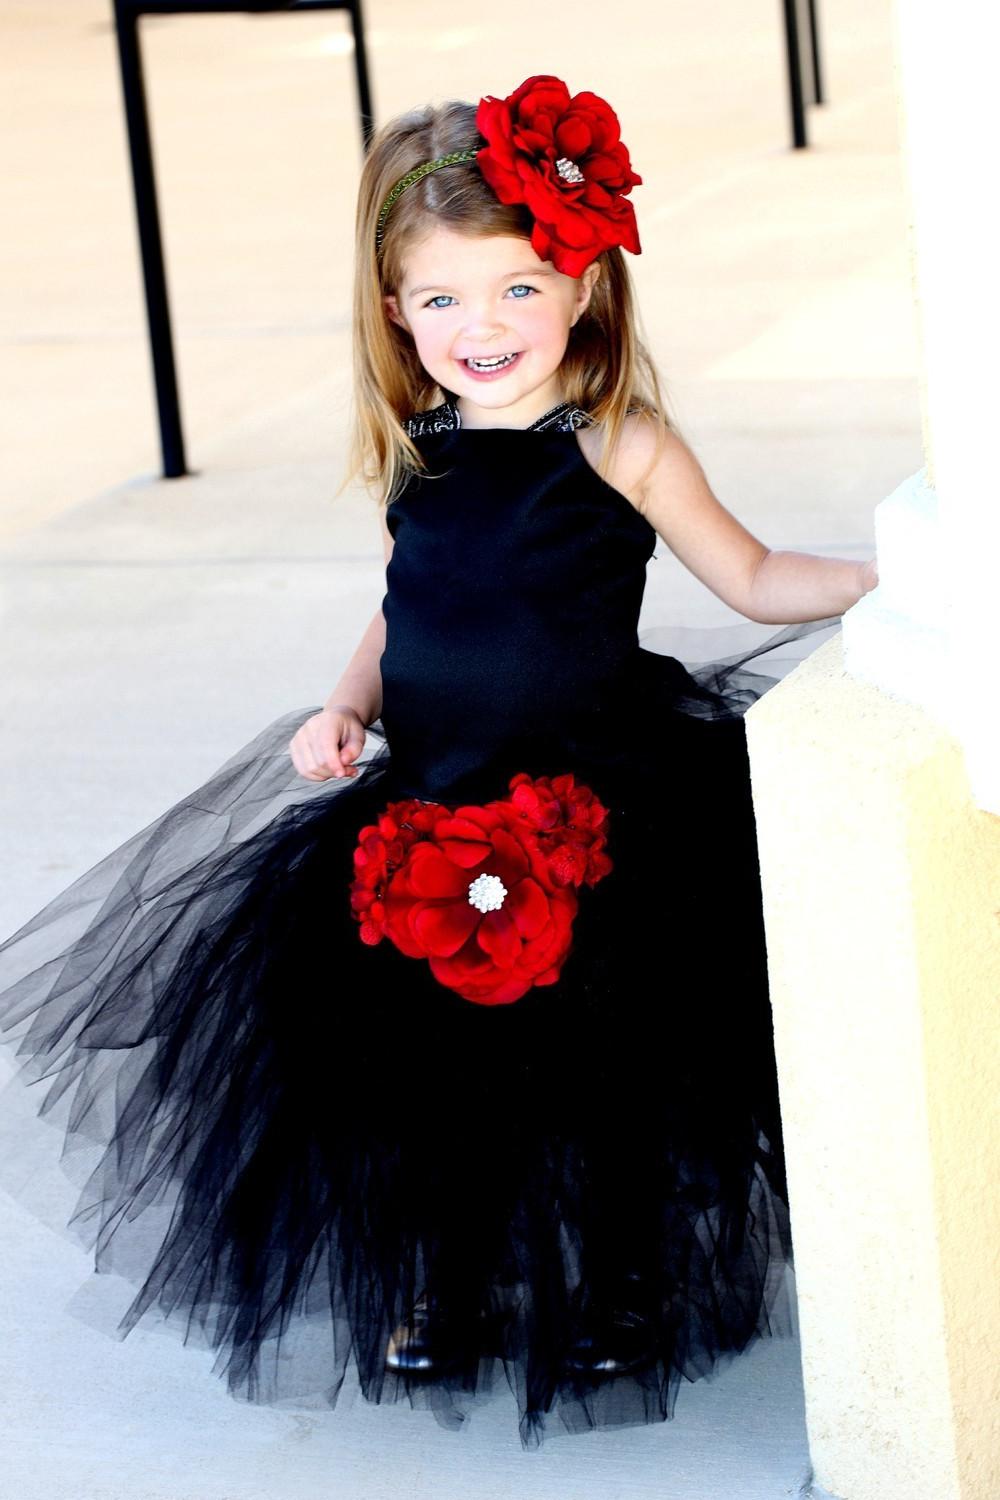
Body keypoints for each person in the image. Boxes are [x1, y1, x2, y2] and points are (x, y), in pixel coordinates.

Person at [0, 73, 877, 1448]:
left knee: (605, 1073)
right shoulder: (425, 449)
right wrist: (344, 703)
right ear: (396, 311)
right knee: (429, 1081)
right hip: (433, 817)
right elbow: (406, 597)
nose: (486, 328)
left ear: (584, 283)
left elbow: (758, 574)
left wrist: (902, 579)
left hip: (598, 809)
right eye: (446, 300)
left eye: (521, 289)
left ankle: (627, 1278)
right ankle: (452, 1273)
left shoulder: (619, 443)